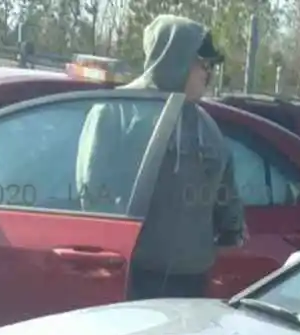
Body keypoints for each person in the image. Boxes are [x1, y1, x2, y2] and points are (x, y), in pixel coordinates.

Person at [79, 14, 246, 300]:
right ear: (176, 59)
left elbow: (225, 196)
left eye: (211, 66)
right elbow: (92, 193)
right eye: (202, 64)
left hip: (192, 282)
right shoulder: (115, 113)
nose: (208, 73)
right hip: (131, 276)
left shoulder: (207, 127)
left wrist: (231, 230)